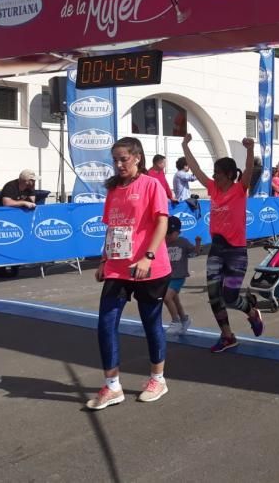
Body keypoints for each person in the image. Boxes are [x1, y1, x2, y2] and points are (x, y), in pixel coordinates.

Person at [87, 137, 172, 410]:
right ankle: (112, 386)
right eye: (115, 159)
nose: (119, 164)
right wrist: (103, 260)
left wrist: (148, 257)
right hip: (116, 267)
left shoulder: (151, 184)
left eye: (123, 158)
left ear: (137, 157)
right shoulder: (113, 189)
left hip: (149, 267)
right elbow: (111, 227)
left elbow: (162, 222)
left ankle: (157, 379)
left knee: (151, 323)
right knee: (105, 324)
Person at [181, 133, 263, 353]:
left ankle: (251, 311)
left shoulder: (239, 189)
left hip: (236, 251)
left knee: (230, 297)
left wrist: (249, 149)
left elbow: (247, 170)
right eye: (214, 173)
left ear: (228, 174)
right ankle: (227, 336)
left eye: (217, 173)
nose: (214, 176)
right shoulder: (212, 188)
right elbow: (195, 168)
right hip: (217, 248)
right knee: (214, 295)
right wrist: (185, 146)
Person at [164, 216, 202, 335]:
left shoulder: (183, 242)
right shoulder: (163, 242)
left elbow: (195, 252)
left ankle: (176, 321)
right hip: (168, 277)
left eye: (171, 233)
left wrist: (198, 243)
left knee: (166, 297)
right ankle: (184, 320)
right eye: (166, 233)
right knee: (175, 300)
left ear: (178, 232)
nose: (168, 236)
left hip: (179, 277)